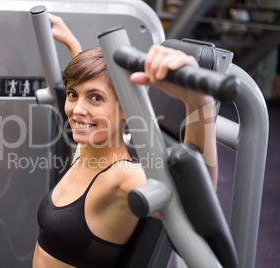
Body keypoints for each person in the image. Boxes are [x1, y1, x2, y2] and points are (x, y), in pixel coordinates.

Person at [33, 14, 218, 268]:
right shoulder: (87, 152)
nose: (77, 109)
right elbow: (88, 95)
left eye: (96, 98)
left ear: (125, 109)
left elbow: (199, 202)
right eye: (73, 95)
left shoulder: (122, 177)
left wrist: (199, 103)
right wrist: (73, 45)